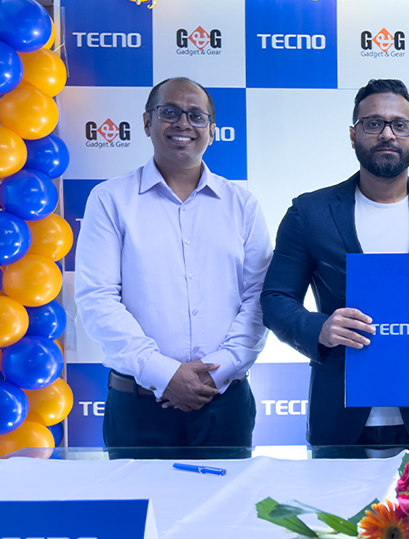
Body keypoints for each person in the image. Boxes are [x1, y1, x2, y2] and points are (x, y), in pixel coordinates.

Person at [260, 79, 409, 456]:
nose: (387, 134)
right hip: (337, 417)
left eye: (400, 125)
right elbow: (275, 299)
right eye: (373, 124)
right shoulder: (309, 213)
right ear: (353, 134)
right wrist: (322, 328)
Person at [74, 77, 272, 458]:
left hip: (225, 405)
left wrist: (217, 372)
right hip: (138, 407)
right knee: (139, 500)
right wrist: (163, 374)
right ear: (147, 122)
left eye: (196, 116)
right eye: (170, 112)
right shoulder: (110, 200)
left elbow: (260, 299)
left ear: (212, 131)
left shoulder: (242, 205)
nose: (183, 123)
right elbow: (97, 300)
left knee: (228, 501)